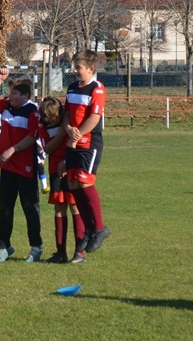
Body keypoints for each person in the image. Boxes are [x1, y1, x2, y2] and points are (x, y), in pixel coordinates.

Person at [0, 68, 43, 263]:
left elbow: (32, 137)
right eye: (9, 93)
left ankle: (36, 247)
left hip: (25, 167)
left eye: (14, 93)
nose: (10, 96)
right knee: (5, 208)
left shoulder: (33, 112)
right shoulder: (7, 107)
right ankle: (3, 247)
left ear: (25, 96)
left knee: (30, 207)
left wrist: (12, 149)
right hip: (7, 166)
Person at [61, 50, 109, 263]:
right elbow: (66, 115)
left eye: (78, 67)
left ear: (90, 68)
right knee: (73, 185)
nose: (75, 71)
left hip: (89, 144)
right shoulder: (72, 87)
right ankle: (89, 229)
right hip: (73, 142)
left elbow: (94, 118)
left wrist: (77, 136)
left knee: (85, 183)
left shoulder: (97, 88)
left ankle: (99, 228)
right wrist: (68, 129)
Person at [36, 96, 84, 264]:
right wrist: (63, 132)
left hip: (72, 164)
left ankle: (79, 252)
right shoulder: (43, 123)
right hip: (55, 168)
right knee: (59, 208)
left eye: (54, 117)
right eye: (48, 118)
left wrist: (67, 160)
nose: (51, 121)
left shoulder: (67, 119)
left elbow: (78, 140)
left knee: (75, 206)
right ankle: (60, 253)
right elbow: (47, 148)